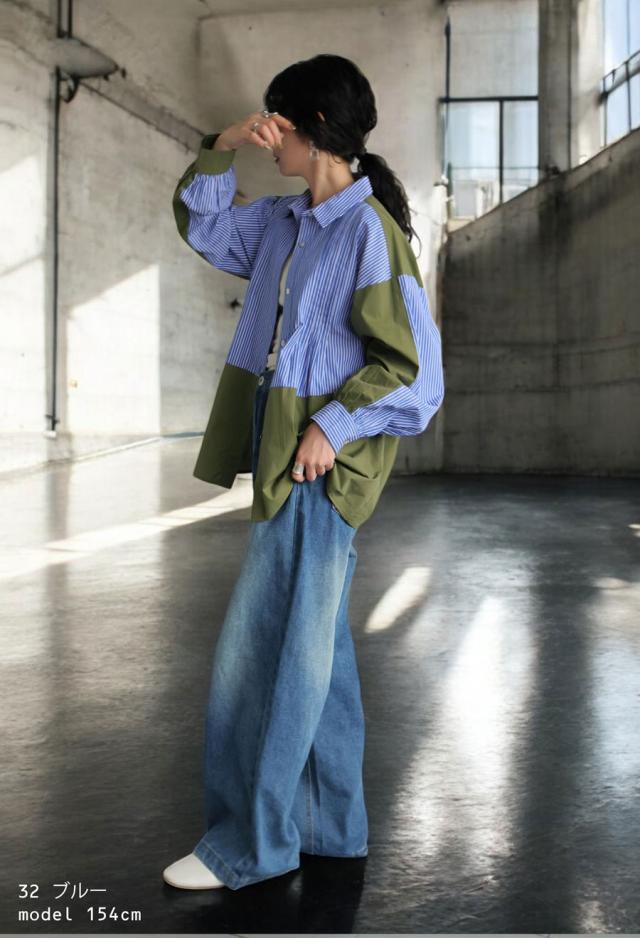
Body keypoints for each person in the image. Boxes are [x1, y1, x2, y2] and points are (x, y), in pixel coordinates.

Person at [163, 54, 445, 891]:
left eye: (275, 119)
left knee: (264, 652)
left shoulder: (368, 233)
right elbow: (205, 228)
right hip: (283, 447)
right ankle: (330, 827)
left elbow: (417, 377)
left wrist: (332, 423)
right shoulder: (288, 221)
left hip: (322, 466)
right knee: (314, 646)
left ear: (312, 127)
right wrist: (224, 143)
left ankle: (248, 846)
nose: (268, 133)